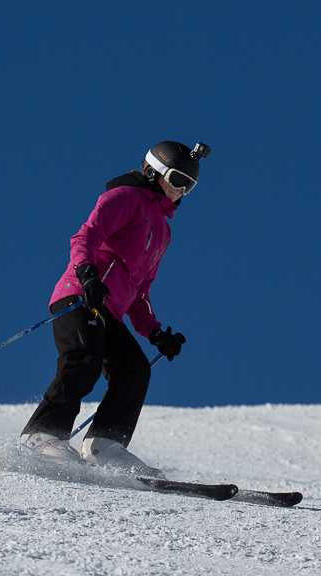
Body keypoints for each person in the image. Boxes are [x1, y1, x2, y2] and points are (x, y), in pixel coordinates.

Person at [20, 140, 210, 478]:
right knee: (84, 359)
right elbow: (85, 237)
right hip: (81, 295)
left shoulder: (163, 230)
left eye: (190, 186)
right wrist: (88, 275)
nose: (182, 191)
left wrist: (155, 333)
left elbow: (140, 292)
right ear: (154, 172)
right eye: (178, 180)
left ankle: (105, 445)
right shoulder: (125, 198)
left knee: (135, 370)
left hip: (110, 312)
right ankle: (42, 434)